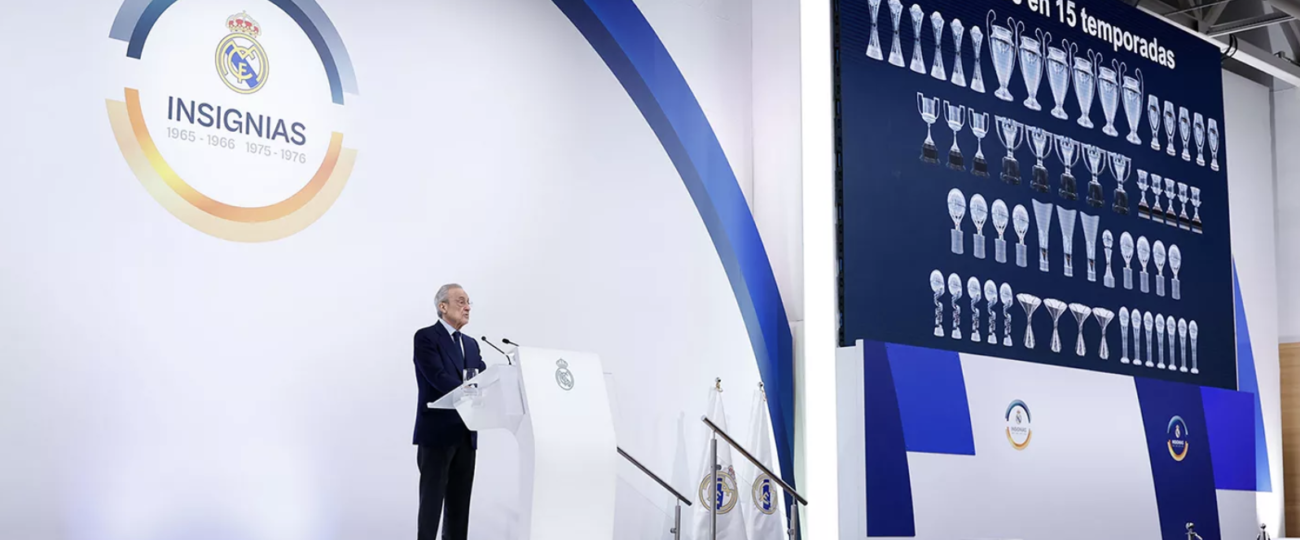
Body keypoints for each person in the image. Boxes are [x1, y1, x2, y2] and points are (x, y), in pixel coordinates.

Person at [412, 283, 486, 540]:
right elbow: (437, 377)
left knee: (459, 507)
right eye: (461, 301)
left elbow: (483, 378)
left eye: (469, 302)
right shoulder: (426, 337)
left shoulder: (472, 344)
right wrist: (471, 390)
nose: (467, 307)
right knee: (431, 505)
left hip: (466, 433)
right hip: (437, 433)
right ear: (442, 307)